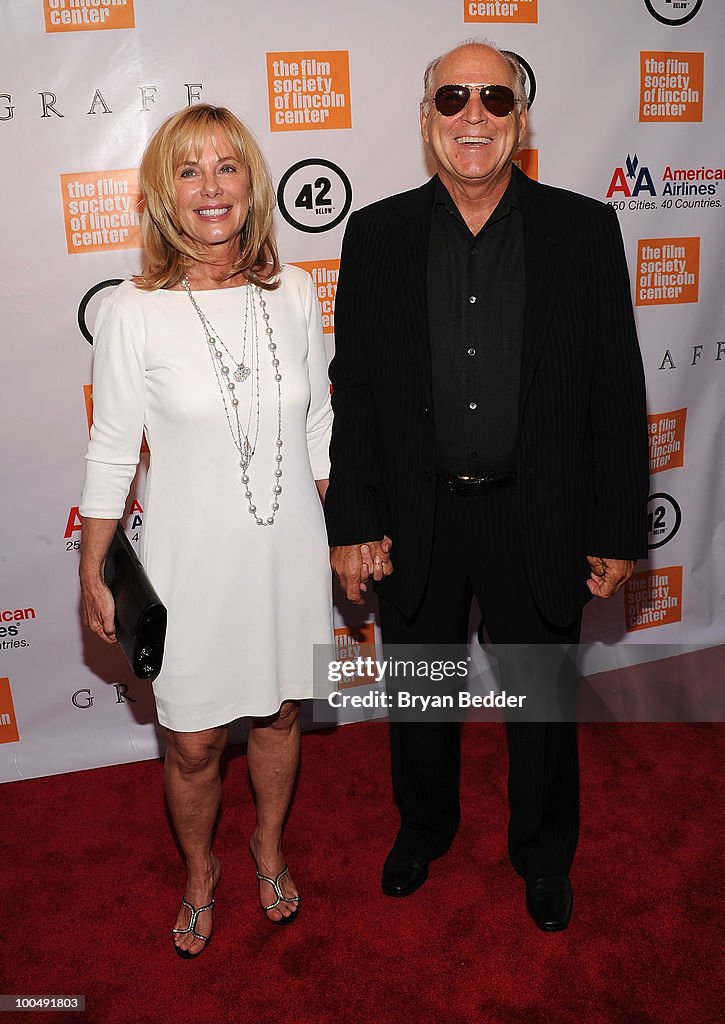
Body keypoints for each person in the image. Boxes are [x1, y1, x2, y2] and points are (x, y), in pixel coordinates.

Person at [325, 40, 648, 931]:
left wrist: (619, 526)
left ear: (521, 119)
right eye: (454, 98)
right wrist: (351, 516)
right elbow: (354, 390)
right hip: (416, 512)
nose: (474, 115)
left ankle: (544, 855)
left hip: (534, 511)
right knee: (421, 691)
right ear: (426, 119)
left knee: (541, 700)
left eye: (495, 99)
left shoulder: (583, 230)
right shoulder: (376, 233)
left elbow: (617, 389)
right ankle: (422, 828)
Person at [79, 104, 333, 956]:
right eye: (189, 171)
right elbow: (113, 451)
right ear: (163, 194)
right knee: (190, 743)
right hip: (188, 563)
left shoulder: (293, 291)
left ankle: (266, 846)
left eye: (226, 167)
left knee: (281, 716)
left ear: (250, 183)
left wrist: (338, 536)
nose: (210, 188)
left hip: (285, 548)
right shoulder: (132, 310)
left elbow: (319, 428)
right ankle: (200, 870)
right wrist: (94, 570)